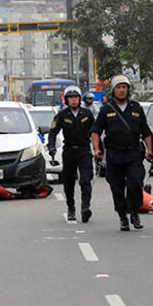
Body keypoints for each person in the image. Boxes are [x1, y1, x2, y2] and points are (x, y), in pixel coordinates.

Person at [91, 75, 153, 231]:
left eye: (124, 87)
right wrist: (97, 149)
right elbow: (95, 131)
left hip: (134, 154)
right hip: (114, 155)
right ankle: (122, 217)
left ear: (128, 90)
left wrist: (150, 150)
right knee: (117, 187)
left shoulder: (136, 108)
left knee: (135, 183)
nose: (121, 90)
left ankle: (134, 212)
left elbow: (146, 131)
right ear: (113, 90)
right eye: (118, 87)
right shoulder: (106, 109)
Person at [48, 85, 94, 223]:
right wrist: (51, 147)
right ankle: (71, 208)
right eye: (70, 98)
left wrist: (100, 151)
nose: (73, 100)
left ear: (80, 99)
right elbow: (52, 132)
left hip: (84, 151)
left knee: (85, 180)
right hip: (69, 152)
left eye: (75, 97)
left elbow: (95, 132)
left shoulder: (87, 114)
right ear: (66, 100)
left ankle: (85, 207)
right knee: (68, 183)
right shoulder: (62, 115)